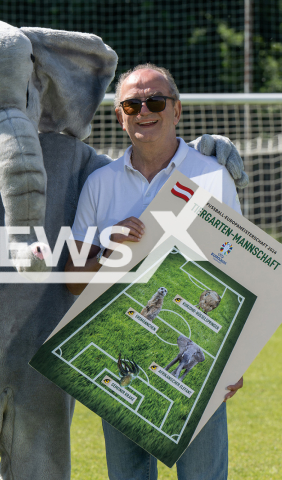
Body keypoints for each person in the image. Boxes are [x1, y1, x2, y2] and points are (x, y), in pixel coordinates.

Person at [65, 63, 244, 480]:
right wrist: (110, 250)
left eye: (156, 101)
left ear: (177, 110)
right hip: (122, 349)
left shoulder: (212, 178)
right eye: (132, 103)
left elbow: (238, 278)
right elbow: (73, 280)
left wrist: (235, 361)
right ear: (120, 116)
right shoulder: (99, 184)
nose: (144, 110)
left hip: (195, 354)